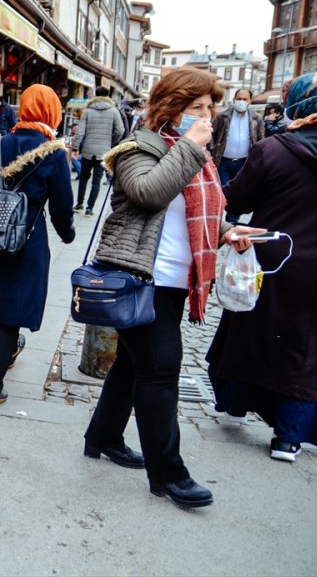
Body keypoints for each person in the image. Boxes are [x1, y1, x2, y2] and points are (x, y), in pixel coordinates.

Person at [81, 68, 263, 510]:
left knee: (133, 362)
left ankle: (103, 436)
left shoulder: (193, 153)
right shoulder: (138, 147)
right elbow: (148, 193)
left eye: (210, 108)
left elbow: (195, 211)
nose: (207, 116)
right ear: (171, 107)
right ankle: (168, 474)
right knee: (161, 369)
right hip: (144, 278)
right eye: (196, 107)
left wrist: (227, 231)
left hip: (177, 280)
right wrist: (189, 147)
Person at [206, 72, 317, 463]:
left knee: (251, 334)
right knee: (310, 352)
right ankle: (288, 438)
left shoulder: (273, 150)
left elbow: (233, 199)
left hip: (273, 260)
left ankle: (236, 403)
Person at [0, 84, 76, 408]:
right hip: (27, 242)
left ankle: (8, 350)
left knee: (7, 307)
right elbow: (62, 207)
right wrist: (68, 234)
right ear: (52, 112)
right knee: (12, 314)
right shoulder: (53, 152)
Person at [209, 88, 264, 218]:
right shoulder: (222, 117)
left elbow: (261, 139)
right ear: (234, 100)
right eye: (239, 99)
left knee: (239, 193)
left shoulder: (257, 118)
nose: (241, 101)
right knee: (222, 192)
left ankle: (232, 220)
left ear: (250, 101)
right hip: (223, 162)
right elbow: (211, 135)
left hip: (244, 163)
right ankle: (217, 220)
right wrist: (213, 150)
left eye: (245, 99)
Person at [71, 86, 124, 216]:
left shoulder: (88, 111)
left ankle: (79, 204)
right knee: (96, 181)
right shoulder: (114, 111)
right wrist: (110, 142)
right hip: (103, 152)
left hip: (87, 151)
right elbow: (120, 131)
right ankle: (90, 209)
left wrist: (75, 147)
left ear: (95, 95)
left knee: (83, 178)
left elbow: (80, 132)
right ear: (108, 96)